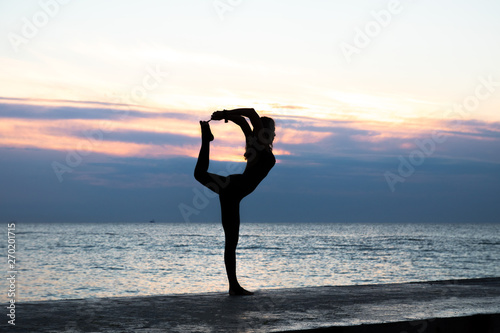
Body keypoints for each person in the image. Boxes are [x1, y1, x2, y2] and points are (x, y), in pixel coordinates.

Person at [194, 108, 276, 295]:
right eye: (272, 130)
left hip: (232, 190)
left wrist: (226, 117)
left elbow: (242, 121)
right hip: (234, 188)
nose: (274, 134)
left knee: (199, 174)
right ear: (265, 131)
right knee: (231, 242)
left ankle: (206, 140)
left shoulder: (254, 142)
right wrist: (224, 113)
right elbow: (251, 114)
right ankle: (234, 286)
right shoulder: (261, 144)